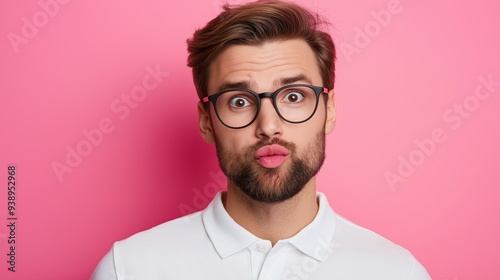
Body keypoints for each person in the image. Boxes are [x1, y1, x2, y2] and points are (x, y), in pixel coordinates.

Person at [91, 1, 431, 279]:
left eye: (294, 97)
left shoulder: (397, 272)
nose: (268, 126)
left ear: (328, 111)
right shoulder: (129, 269)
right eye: (239, 101)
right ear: (207, 122)